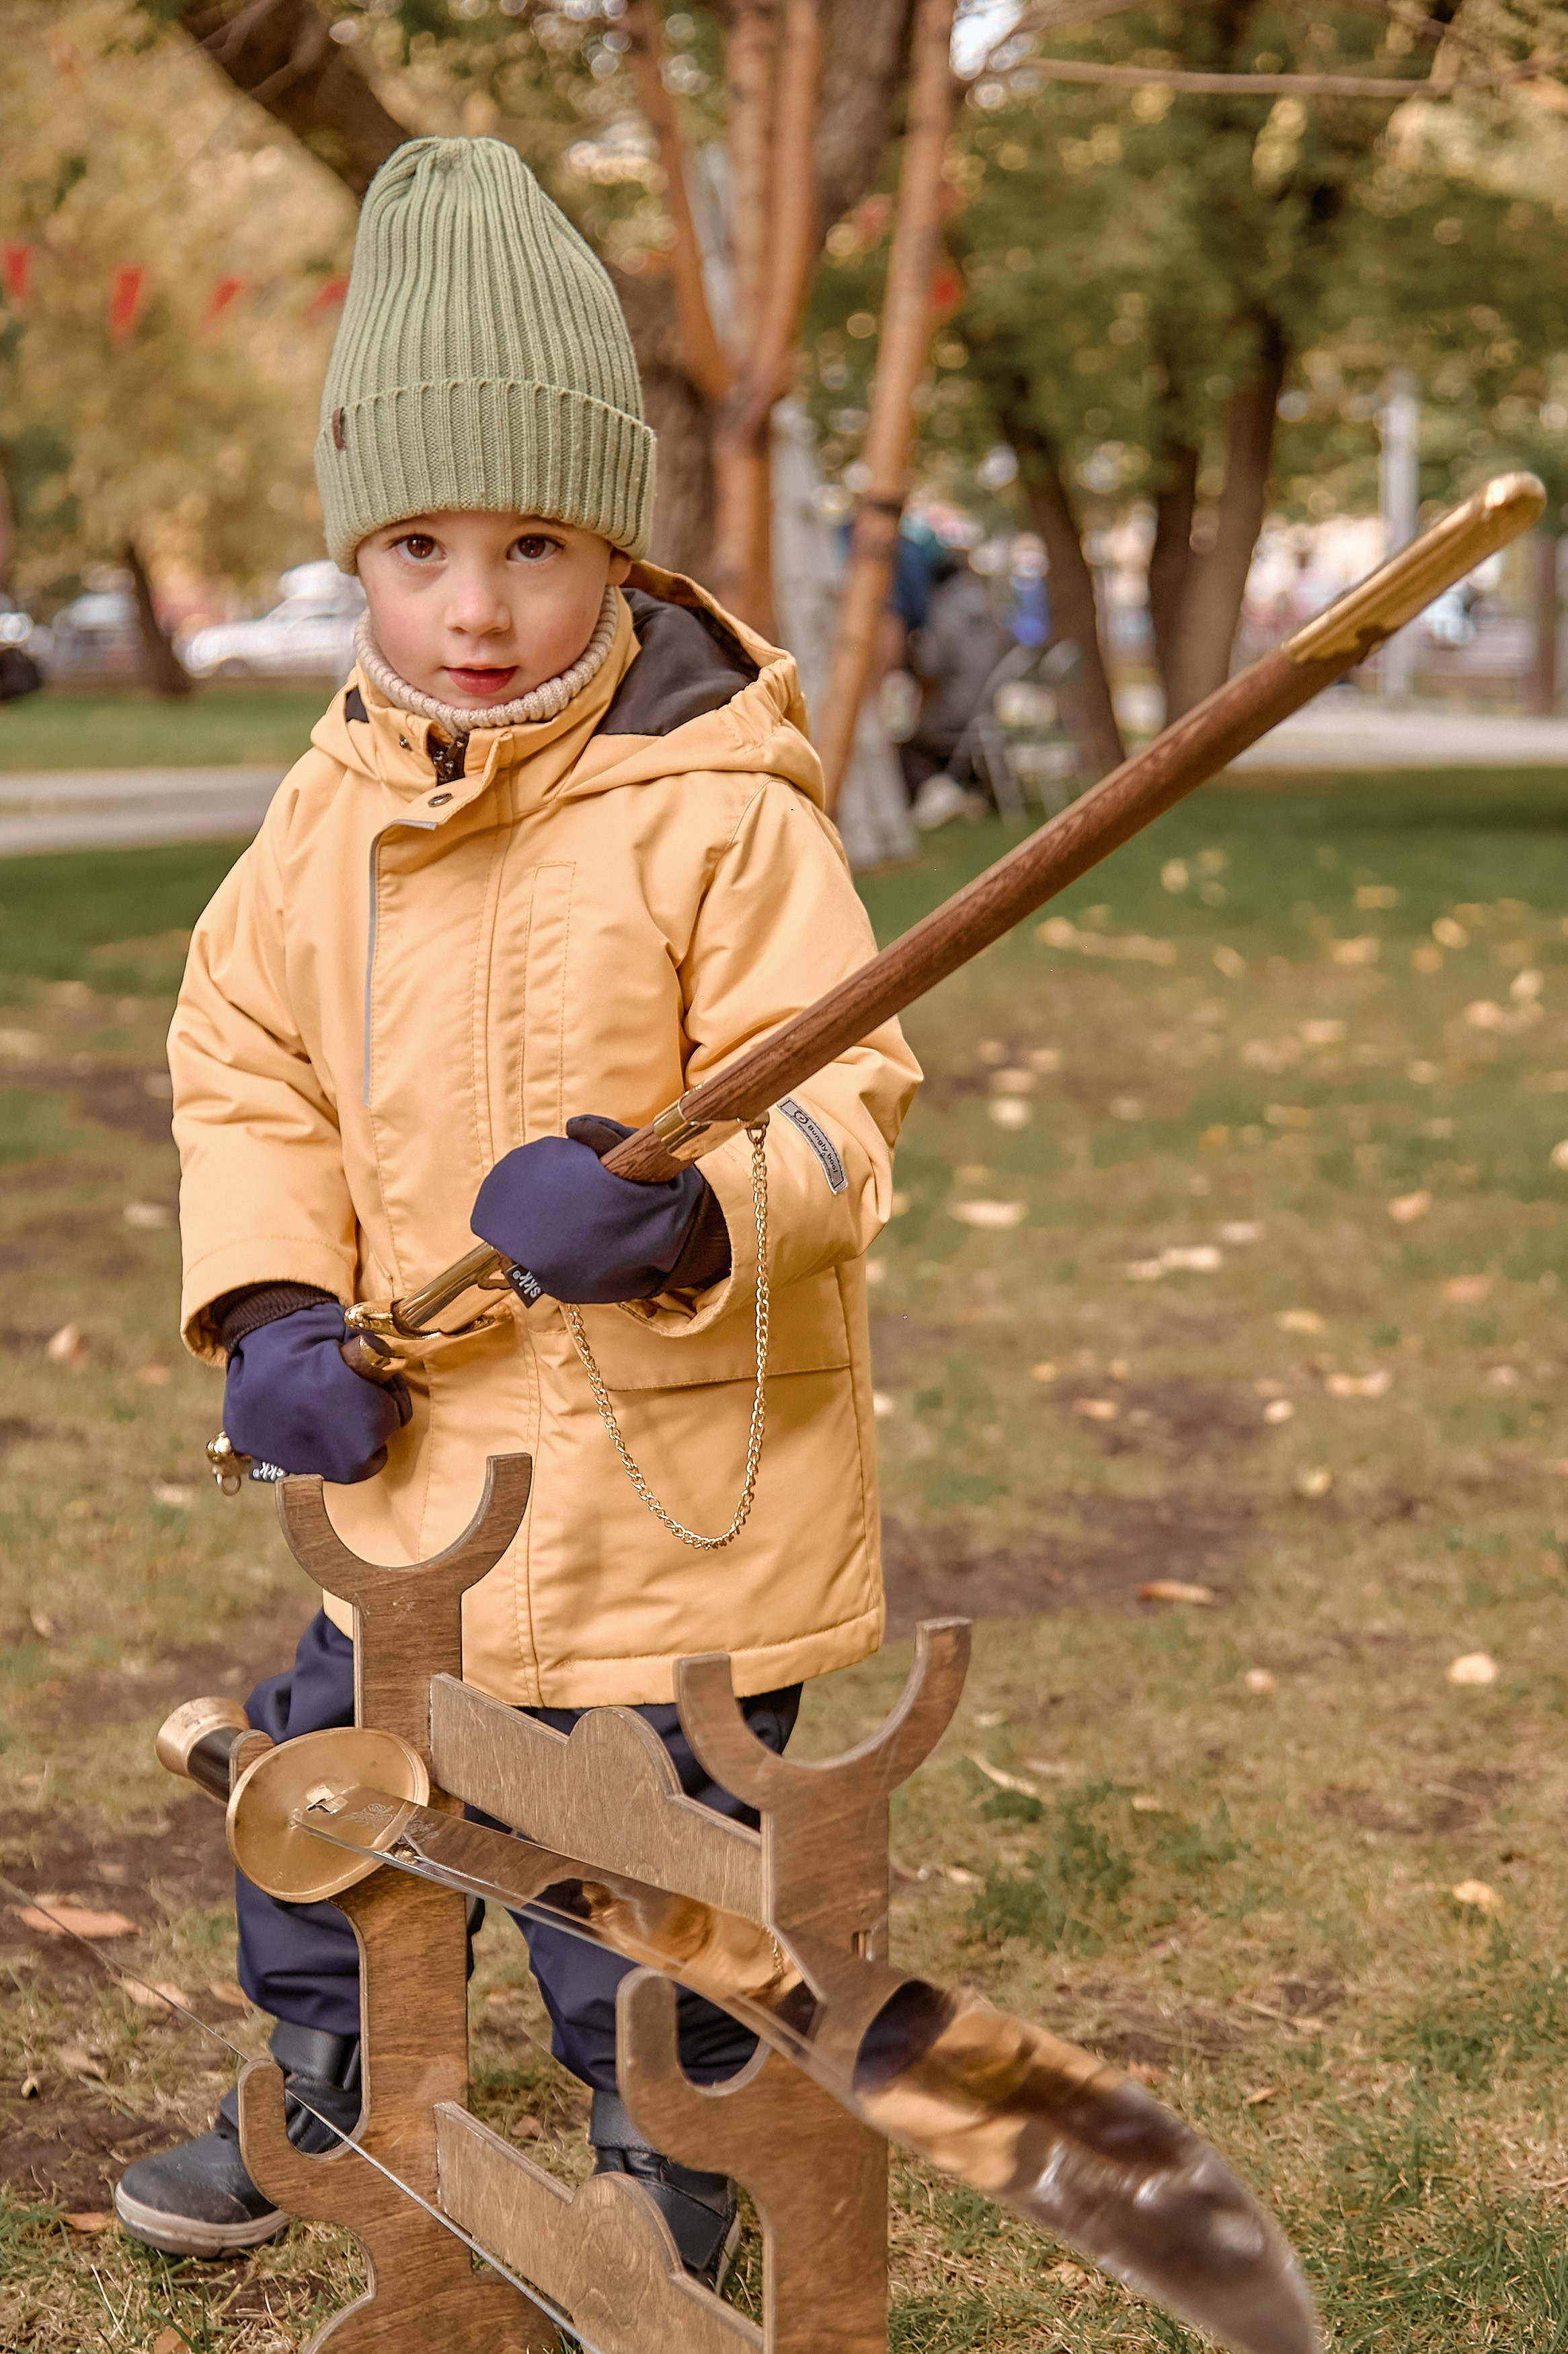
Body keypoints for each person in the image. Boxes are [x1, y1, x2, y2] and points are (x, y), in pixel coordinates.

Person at [113, 137, 918, 2279]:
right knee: (324, 1800)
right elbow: (242, 1059)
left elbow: (843, 1095)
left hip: (671, 1505)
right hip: (416, 1477)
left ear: (618, 552)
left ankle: (679, 2152)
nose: (473, 608)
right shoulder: (321, 820)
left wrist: (689, 1213)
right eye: (416, 546)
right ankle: (340, 2087)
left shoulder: (722, 817)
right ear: (356, 557)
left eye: (534, 542)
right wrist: (276, 1296)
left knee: (634, 1882)